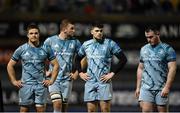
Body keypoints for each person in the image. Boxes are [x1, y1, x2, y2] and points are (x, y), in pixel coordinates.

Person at [7, 24, 59, 112]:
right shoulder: (21, 49)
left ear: (39, 34)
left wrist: (51, 80)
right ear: (27, 35)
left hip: (41, 85)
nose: (34, 35)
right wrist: (13, 81)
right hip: (26, 85)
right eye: (31, 33)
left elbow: (56, 65)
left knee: (41, 111)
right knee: (24, 110)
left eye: (36, 33)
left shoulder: (46, 48)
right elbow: (10, 65)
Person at [76, 22, 127, 112]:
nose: (99, 32)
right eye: (97, 31)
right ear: (92, 32)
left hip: (104, 81)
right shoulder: (86, 45)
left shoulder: (110, 44)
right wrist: (80, 73)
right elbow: (77, 59)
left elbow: (123, 59)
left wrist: (112, 73)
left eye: (101, 31)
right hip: (90, 81)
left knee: (105, 109)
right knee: (91, 110)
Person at [135, 25, 177, 112]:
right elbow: (140, 68)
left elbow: (172, 68)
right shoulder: (143, 49)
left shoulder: (168, 49)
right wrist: (138, 87)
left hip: (161, 88)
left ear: (158, 34)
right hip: (146, 87)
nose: (149, 40)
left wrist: (167, 87)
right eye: (147, 37)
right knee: (146, 111)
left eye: (151, 37)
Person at [44, 19, 81, 113]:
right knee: (57, 104)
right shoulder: (50, 41)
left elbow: (84, 58)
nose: (74, 30)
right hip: (54, 79)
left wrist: (77, 72)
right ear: (64, 29)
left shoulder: (75, 42)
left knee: (64, 109)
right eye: (71, 28)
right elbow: (41, 57)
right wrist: (44, 71)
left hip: (67, 79)